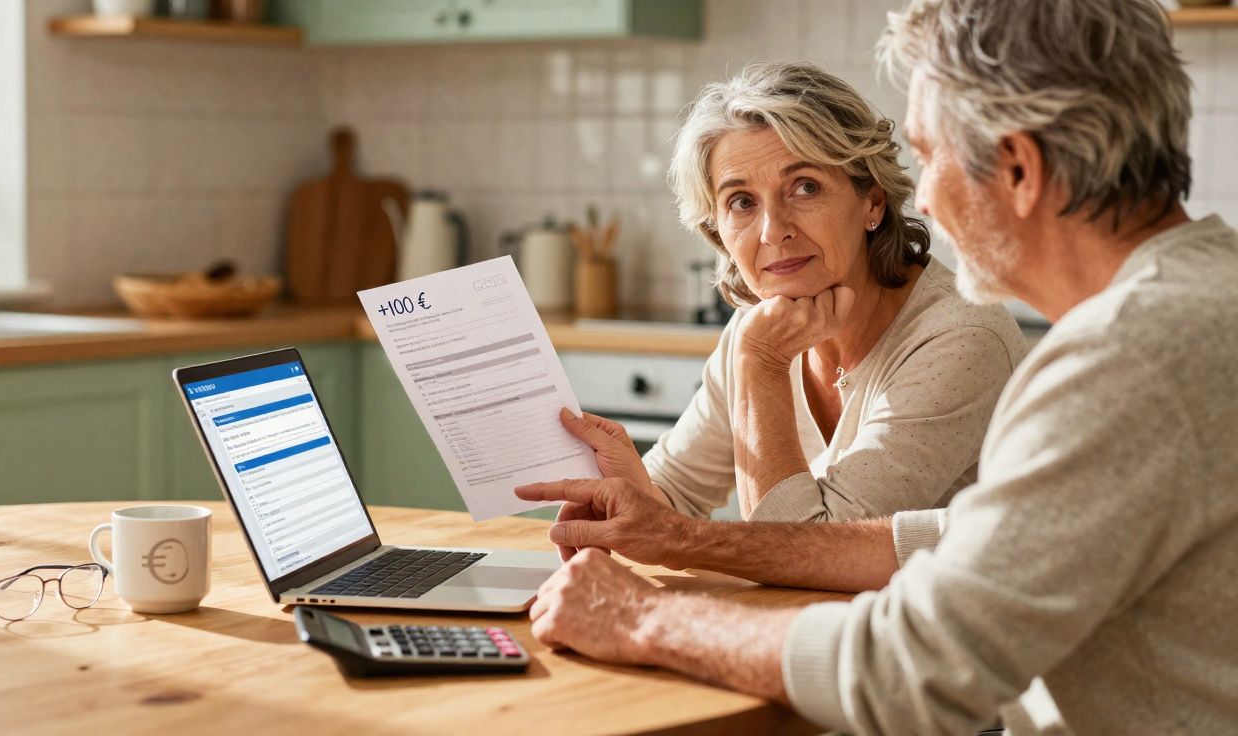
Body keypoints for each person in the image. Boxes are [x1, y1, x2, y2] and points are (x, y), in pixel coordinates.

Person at [515, 0, 1238, 733]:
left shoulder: (1124, 360)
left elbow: (910, 671)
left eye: (928, 157)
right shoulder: (1200, 300)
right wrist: (677, 534)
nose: (917, 197)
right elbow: (960, 537)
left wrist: (645, 616)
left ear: (1018, 169)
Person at [552, 62, 1024, 551]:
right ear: (718, 229)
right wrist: (626, 494)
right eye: (741, 202)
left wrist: (762, 365)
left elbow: (806, 551)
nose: (773, 230)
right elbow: (674, 496)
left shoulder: (959, 339)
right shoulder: (759, 330)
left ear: (873, 204)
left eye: (806, 187)